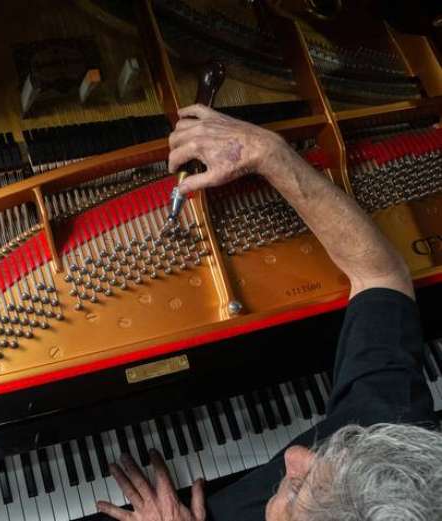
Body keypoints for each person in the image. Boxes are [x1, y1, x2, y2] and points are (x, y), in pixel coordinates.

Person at [95, 105, 442, 521]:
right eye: (334, 449)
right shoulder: (388, 445)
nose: (295, 455)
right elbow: (380, 274)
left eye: (296, 488)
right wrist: (269, 153)